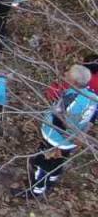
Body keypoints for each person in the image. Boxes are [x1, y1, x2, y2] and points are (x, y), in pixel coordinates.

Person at [25, 65, 97, 198]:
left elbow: (60, 123)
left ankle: (36, 191)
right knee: (59, 161)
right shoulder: (93, 97)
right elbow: (92, 117)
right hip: (70, 142)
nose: (64, 74)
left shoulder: (70, 99)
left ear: (74, 82)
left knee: (42, 163)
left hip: (55, 139)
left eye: (67, 74)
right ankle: (53, 178)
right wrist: (82, 134)